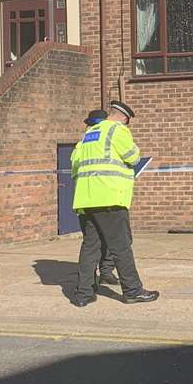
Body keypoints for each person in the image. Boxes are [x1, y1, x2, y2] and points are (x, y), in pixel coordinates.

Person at [70, 100, 158, 307]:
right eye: (127, 122)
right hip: (110, 197)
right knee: (121, 247)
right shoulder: (117, 130)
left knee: (90, 247)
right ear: (123, 118)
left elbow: (75, 164)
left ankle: (84, 294)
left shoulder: (87, 136)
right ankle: (133, 290)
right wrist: (134, 146)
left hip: (86, 199)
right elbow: (133, 157)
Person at [83, 108, 121, 291]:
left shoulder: (84, 141)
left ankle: (96, 280)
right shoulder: (89, 141)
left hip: (87, 200)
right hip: (106, 198)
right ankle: (100, 277)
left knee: (93, 243)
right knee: (117, 241)